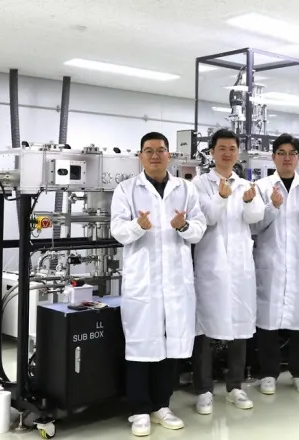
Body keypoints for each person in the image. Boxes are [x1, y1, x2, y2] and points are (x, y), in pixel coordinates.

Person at [110, 132, 207, 437]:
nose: (155, 155)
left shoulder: (186, 189)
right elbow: (117, 231)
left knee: (171, 344)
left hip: (176, 281)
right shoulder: (126, 189)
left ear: (169, 155)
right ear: (140, 156)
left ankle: (162, 405)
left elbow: (199, 229)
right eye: (149, 150)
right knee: (141, 345)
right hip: (144, 282)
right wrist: (137, 226)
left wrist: (184, 225)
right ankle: (140, 409)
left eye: (160, 150)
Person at [190, 129, 265, 415]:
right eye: (221, 148)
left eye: (232, 148)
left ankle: (235, 386)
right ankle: (204, 390)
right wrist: (221, 198)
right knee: (204, 328)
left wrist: (248, 201)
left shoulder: (246, 184)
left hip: (240, 266)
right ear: (212, 152)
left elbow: (255, 218)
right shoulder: (199, 184)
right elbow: (207, 217)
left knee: (240, 325)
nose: (227, 153)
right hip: (211, 265)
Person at [250, 133, 299, 395]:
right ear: (273, 157)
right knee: (267, 324)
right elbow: (254, 226)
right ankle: (268, 374)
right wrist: (272, 207)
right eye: (281, 153)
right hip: (270, 263)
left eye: (292, 153)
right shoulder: (261, 187)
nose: (287, 158)